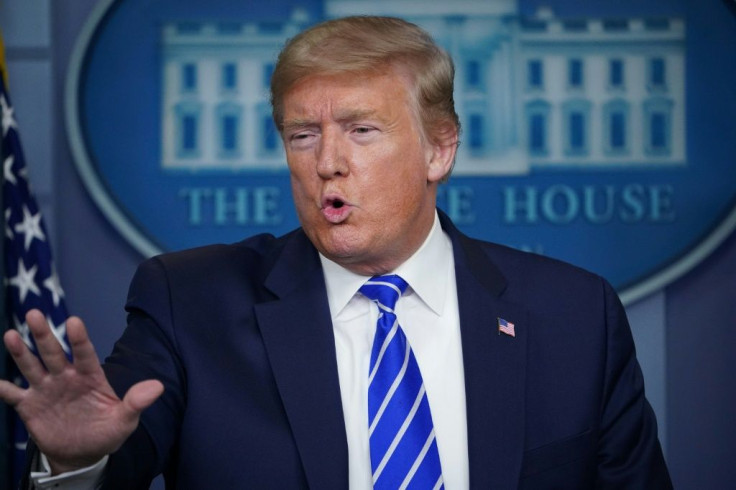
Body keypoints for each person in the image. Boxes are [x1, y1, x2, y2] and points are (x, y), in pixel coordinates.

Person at [0, 15, 671, 489]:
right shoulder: (190, 301)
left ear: (440, 149)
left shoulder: (575, 315)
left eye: (362, 130)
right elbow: (117, 451)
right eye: (302, 136)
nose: (329, 164)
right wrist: (75, 468)